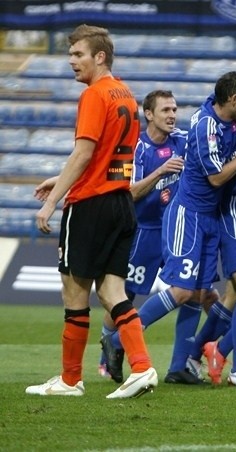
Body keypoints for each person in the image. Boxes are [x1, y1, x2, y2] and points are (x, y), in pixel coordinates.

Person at [100, 67, 236, 384]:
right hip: (188, 214)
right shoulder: (205, 126)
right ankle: (117, 339)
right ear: (233, 99)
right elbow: (217, 177)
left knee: (197, 294)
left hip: (211, 217)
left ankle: (179, 366)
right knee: (181, 291)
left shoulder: (224, 102)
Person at [26, 24, 157, 399]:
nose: (71, 61)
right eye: (70, 55)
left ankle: (70, 380)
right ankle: (143, 367)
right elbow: (103, 155)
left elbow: (84, 152)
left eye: (78, 54)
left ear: (99, 57)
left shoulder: (95, 95)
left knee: (74, 291)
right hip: (120, 203)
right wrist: (59, 177)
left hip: (90, 206)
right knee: (113, 290)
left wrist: (53, 202)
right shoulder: (126, 94)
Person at [96, 89, 207, 386]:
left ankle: (180, 365)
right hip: (144, 231)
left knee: (194, 290)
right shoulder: (136, 148)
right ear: (148, 114)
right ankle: (109, 349)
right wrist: (160, 172)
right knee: (125, 295)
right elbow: (128, 194)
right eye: (166, 110)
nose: (172, 115)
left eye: (174, 109)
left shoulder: (182, 141)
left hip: (179, 229)